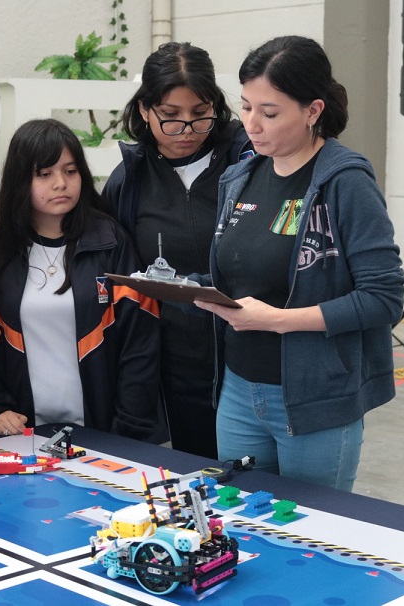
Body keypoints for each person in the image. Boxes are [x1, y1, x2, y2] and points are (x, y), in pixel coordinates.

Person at [192, 36, 404, 491]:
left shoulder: (346, 182)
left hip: (316, 399)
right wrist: (186, 288)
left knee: (313, 537)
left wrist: (278, 321)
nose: (252, 124)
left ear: (313, 111)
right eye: (246, 107)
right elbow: (241, 276)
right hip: (238, 391)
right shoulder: (240, 178)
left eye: (269, 113)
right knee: (240, 526)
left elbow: (382, 299)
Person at [103, 42, 253, 458]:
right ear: (145, 110)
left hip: (250, 361)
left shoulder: (248, 163)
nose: (186, 129)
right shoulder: (128, 182)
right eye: (170, 117)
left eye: (200, 113)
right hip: (175, 371)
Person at [0, 118, 165, 442]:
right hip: (24, 434)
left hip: (106, 432)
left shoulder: (111, 241)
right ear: (20, 181)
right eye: (44, 174)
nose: (60, 183)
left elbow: (141, 344)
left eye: (70, 171)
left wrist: (128, 430)